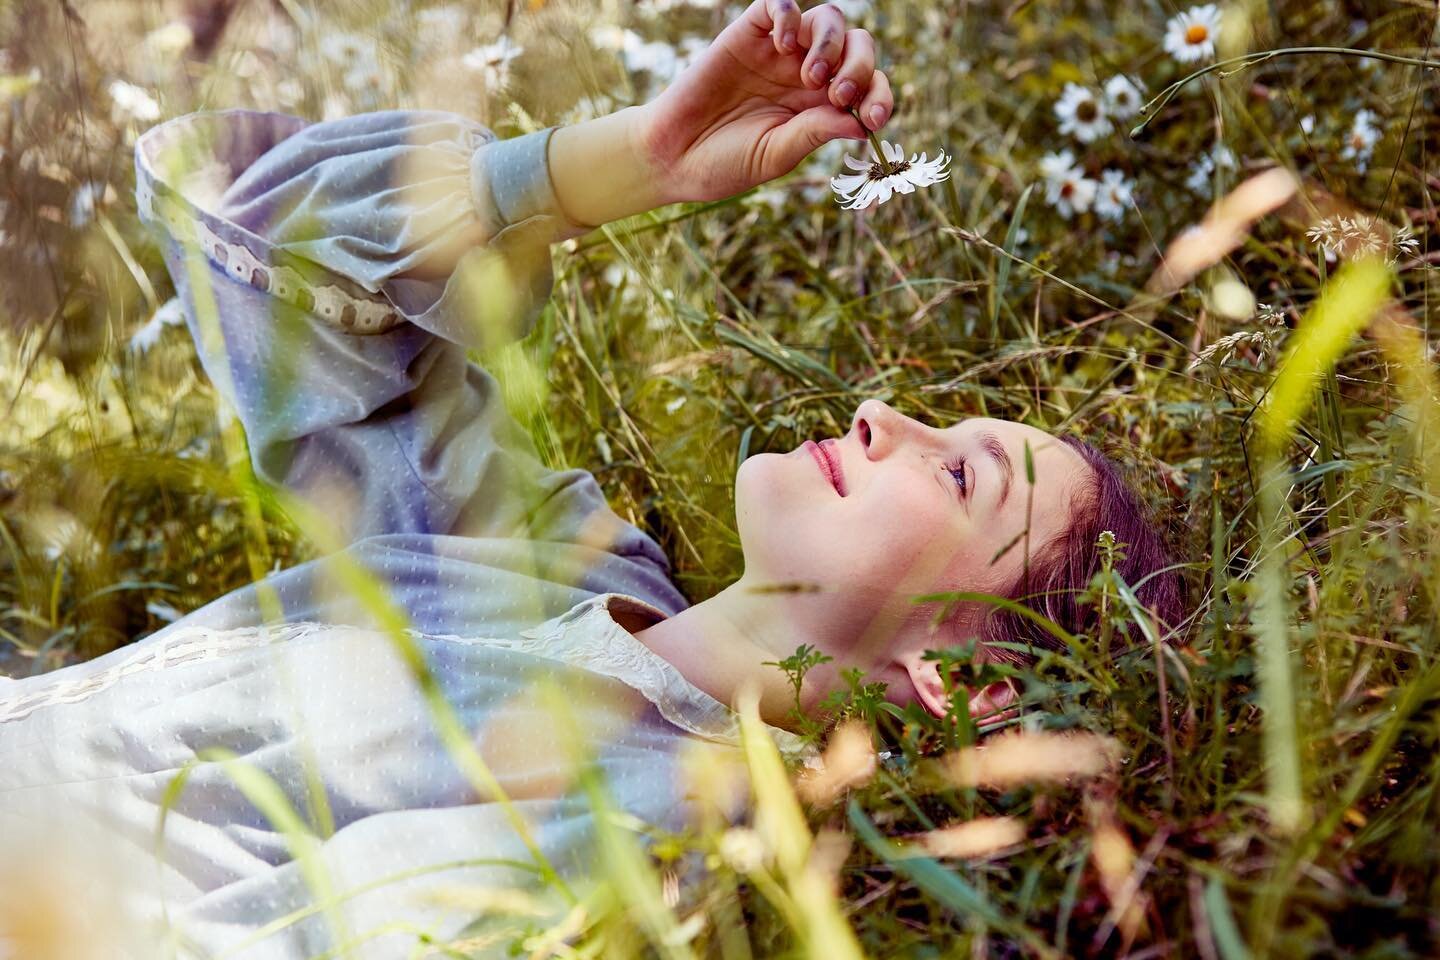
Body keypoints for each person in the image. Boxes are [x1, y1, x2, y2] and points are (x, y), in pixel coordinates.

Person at [0, 1, 1182, 956]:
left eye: (963, 476)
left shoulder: (650, 825)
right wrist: (631, 163)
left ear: (965, 684)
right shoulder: (541, 562)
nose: (882, 418)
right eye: (936, 421)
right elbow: (253, 239)